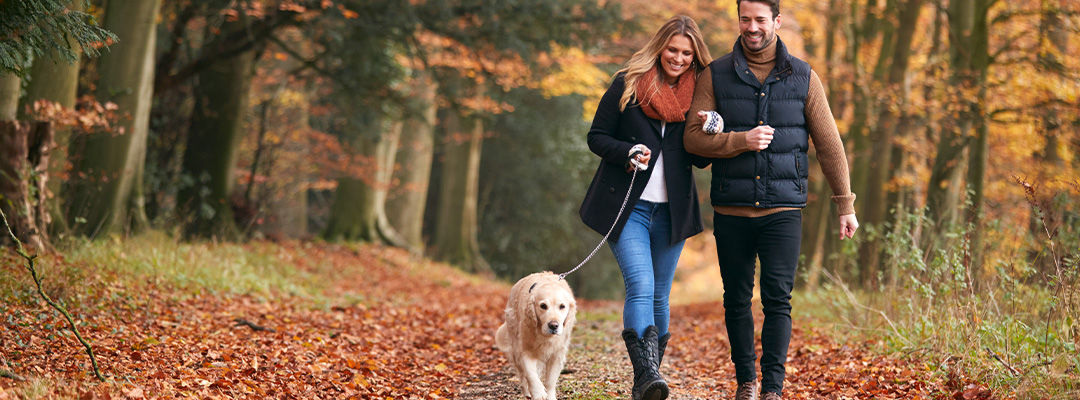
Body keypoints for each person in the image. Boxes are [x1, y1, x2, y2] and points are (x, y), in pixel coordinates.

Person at [683, 1, 859, 399]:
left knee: (778, 299)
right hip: (731, 208)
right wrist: (738, 141)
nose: (752, 27)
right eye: (745, 19)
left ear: (776, 22)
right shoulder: (716, 75)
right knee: (737, 300)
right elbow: (692, 139)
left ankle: (773, 389)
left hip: (783, 209)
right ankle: (746, 382)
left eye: (761, 20)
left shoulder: (803, 76)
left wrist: (844, 204)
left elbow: (829, 144)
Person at [579, 15, 712, 400]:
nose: (679, 58)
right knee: (641, 285)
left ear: (694, 55)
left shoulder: (699, 95)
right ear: (660, 47)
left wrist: (711, 129)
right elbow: (596, 136)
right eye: (673, 49)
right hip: (629, 207)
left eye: (687, 53)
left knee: (660, 297)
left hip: (673, 212)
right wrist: (627, 152)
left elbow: (701, 160)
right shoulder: (629, 83)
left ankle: (648, 381)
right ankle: (646, 377)